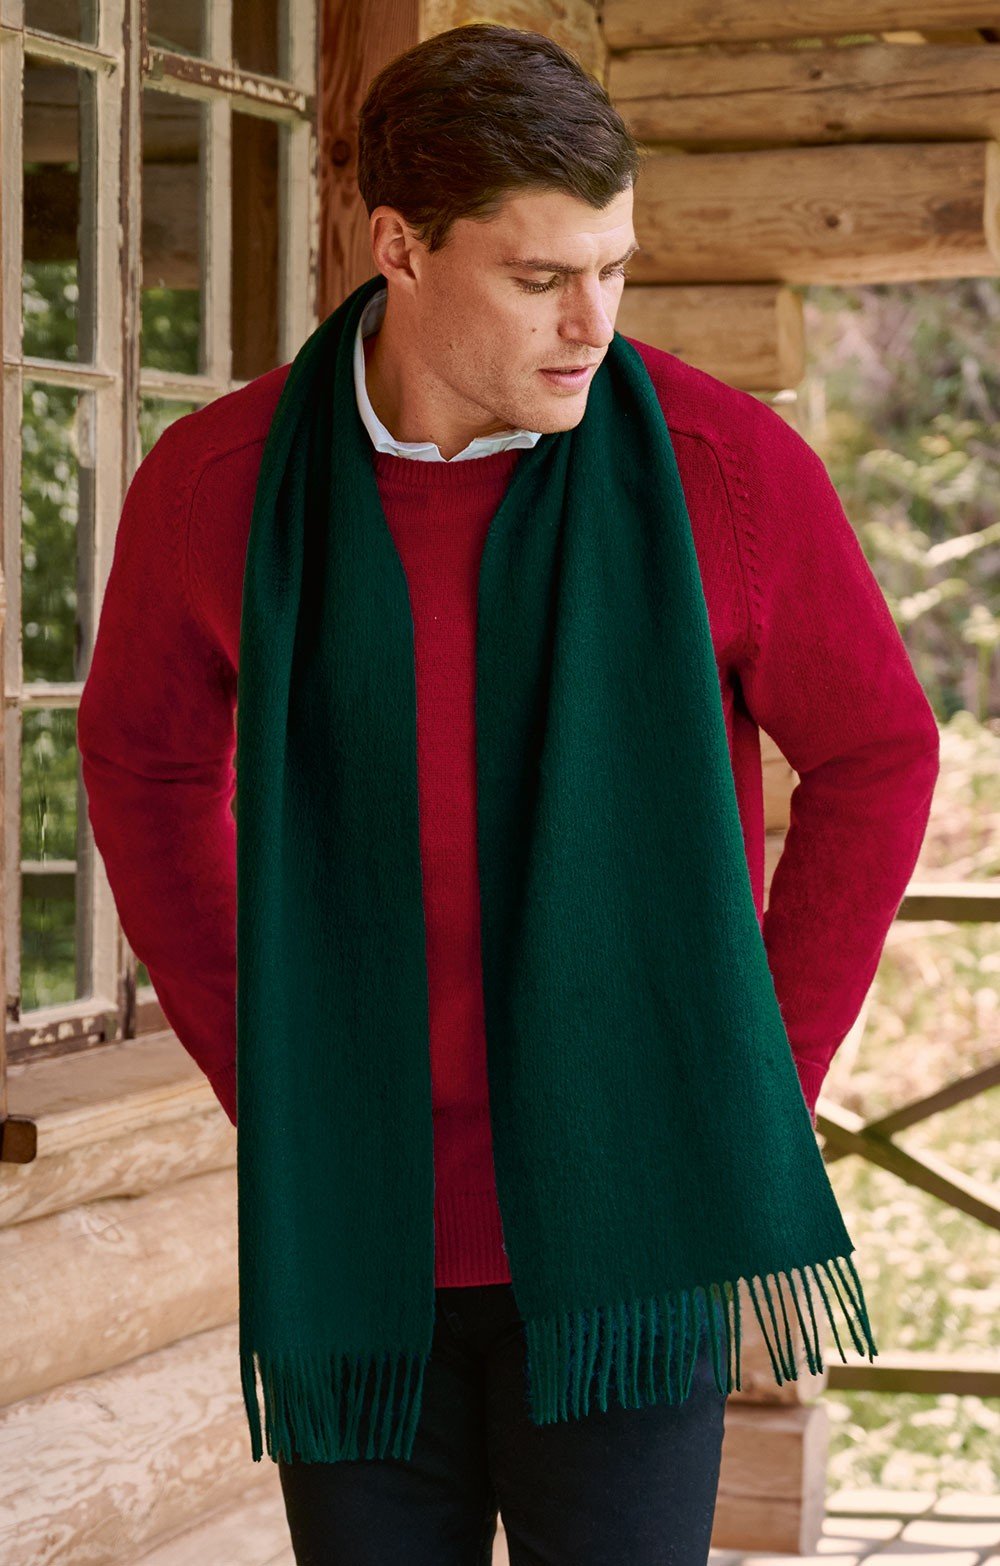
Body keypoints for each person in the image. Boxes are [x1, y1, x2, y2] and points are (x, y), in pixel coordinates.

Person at [76, 22, 940, 1566]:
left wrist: (748, 1075)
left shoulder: (723, 469)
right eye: (542, 277)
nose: (592, 322)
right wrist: (263, 1056)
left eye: (614, 269)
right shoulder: (220, 485)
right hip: (357, 1230)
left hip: (633, 1223)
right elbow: (143, 764)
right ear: (399, 248)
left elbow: (879, 751)